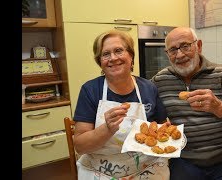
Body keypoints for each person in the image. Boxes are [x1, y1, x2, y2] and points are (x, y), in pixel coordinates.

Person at [151, 27, 222, 180]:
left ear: (198, 46)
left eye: (185, 46)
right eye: (172, 50)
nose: (179, 54)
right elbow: (148, 118)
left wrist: (218, 108)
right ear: (167, 54)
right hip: (184, 161)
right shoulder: (159, 81)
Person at [73, 30, 170, 179]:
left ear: (130, 56)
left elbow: (163, 128)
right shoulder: (90, 90)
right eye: (105, 54)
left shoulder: (148, 88)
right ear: (100, 62)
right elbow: (80, 146)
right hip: (102, 169)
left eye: (118, 51)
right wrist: (107, 128)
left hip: (145, 168)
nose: (113, 58)